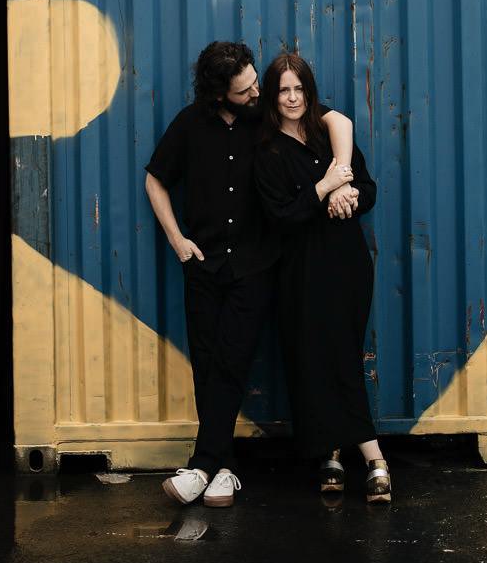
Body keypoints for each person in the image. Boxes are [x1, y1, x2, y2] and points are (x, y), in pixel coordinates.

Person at [145, 41, 351, 507]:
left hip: (254, 266)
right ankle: (222, 468)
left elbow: (335, 120)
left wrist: (343, 174)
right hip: (203, 264)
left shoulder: (266, 116)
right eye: (245, 89)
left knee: (232, 363)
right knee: (206, 363)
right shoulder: (190, 124)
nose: (258, 91)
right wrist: (177, 239)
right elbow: (155, 178)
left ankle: (203, 464)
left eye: (257, 81)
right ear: (219, 95)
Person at [256, 51, 389, 503]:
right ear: (272, 97)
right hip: (300, 272)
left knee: (342, 356)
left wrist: (347, 193)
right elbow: (281, 216)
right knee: (313, 362)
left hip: (347, 265)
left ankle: (343, 454)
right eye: (283, 90)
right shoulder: (267, 150)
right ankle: (358, 456)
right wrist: (323, 188)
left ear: (308, 91)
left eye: (299, 89)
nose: (292, 98)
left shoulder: (327, 135)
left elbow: (368, 189)